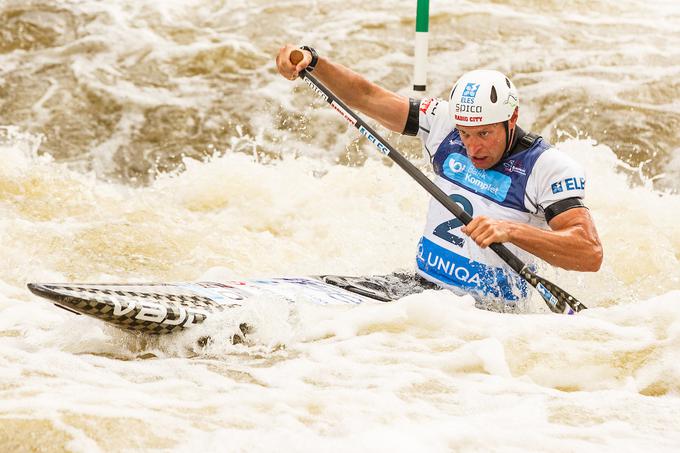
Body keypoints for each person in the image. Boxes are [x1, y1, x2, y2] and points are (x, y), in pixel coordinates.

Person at [275, 44, 603, 308]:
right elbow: (368, 96)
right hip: (419, 293)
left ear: (512, 117)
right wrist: (314, 61)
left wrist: (510, 230)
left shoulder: (547, 167)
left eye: (485, 134)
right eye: (465, 134)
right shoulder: (443, 123)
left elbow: (589, 252)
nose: (473, 148)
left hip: (482, 314)